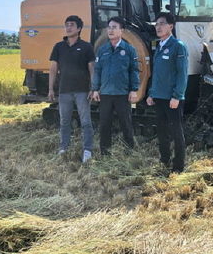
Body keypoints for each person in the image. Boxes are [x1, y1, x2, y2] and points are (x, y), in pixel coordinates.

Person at [49, 15, 96, 163]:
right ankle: (63, 148)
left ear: (79, 28)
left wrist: (93, 88)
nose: (68, 27)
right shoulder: (59, 47)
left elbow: (92, 69)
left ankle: (87, 150)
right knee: (64, 121)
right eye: (66, 24)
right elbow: (53, 69)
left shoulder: (87, 47)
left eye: (72, 25)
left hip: (82, 91)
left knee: (86, 121)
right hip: (64, 91)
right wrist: (51, 89)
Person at [146, 12, 188, 173]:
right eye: (156, 24)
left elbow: (182, 74)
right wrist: (151, 93)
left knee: (176, 132)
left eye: (162, 23)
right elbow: (156, 74)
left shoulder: (178, 46)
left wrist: (177, 96)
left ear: (171, 26)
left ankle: (178, 166)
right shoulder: (159, 46)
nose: (158, 27)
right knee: (162, 131)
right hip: (159, 97)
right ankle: (164, 160)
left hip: (172, 98)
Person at [91, 16, 139, 155]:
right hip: (105, 93)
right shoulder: (102, 50)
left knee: (126, 124)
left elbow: (134, 70)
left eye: (114, 27)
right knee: (105, 124)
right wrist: (95, 89)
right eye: (109, 27)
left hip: (122, 94)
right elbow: (98, 70)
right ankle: (105, 152)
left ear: (121, 31)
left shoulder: (129, 49)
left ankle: (129, 152)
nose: (111, 30)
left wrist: (133, 90)